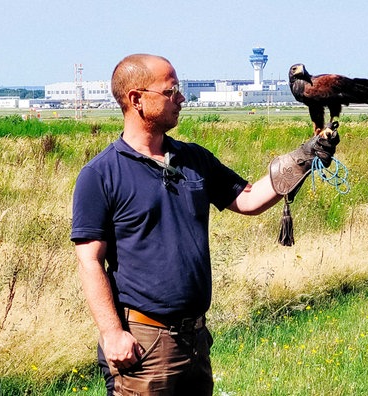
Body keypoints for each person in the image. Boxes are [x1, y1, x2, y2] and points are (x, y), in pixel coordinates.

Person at [71, 53, 339, 395]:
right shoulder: (101, 174)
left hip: (195, 339)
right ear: (136, 99)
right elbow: (89, 260)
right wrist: (111, 334)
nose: (181, 98)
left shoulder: (194, 158)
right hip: (144, 344)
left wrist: (304, 158)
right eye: (171, 91)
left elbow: (248, 198)